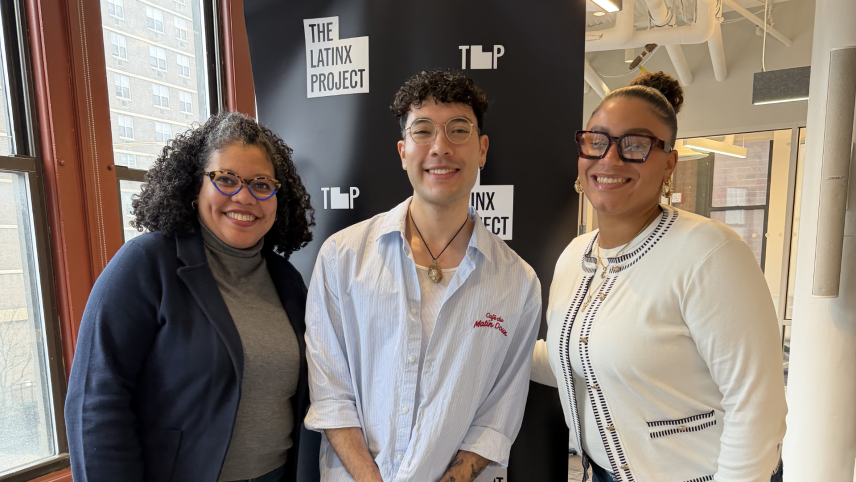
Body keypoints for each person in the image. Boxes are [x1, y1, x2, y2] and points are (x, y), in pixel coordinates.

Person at [530, 71, 787, 482]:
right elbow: (575, 358)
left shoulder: (710, 253)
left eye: (635, 145)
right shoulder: (575, 256)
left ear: (669, 163)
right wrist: (485, 342)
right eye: (597, 141)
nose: (609, 159)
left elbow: (757, 406)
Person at [303, 69, 542, 482]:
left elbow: (497, 418)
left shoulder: (518, 283)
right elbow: (331, 396)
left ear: (482, 150)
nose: (441, 147)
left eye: (458, 130)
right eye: (423, 131)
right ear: (402, 151)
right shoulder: (341, 257)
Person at [65, 112, 315, 482]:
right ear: (194, 187)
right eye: (226, 179)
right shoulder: (146, 265)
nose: (244, 197)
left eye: (261, 184)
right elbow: (95, 404)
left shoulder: (287, 281)